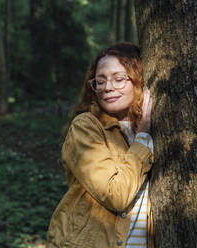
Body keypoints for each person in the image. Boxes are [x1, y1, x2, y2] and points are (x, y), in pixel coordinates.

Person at [46, 43, 154, 248]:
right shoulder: (86, 127)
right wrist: (142, 138)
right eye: (100, 81)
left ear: (139, 80)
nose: (108, 87)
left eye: (119, 79)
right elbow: (116, 195)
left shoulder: (155, 132)